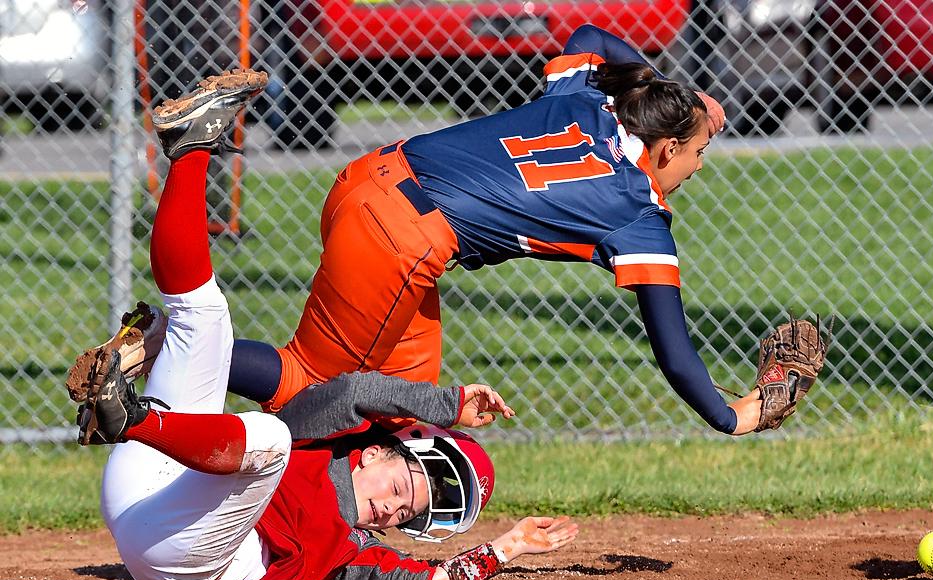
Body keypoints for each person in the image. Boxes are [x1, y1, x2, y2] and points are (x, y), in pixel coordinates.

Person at [71, 70, 579, 580]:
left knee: (267, 438)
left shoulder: (350, 553)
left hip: (184, 563)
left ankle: (128, 418)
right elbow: (357, 390)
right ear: (378, 453)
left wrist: (509, 547)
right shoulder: (321, 436)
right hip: (150, 489)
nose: (391, 513)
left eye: (406, 517)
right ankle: (191, 148)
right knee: (206, 317)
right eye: (402, 492)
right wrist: (448, 405)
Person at [224, 24, 767, 435]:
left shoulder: (589, 100)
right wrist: (730, 417)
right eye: (697, 151)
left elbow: (590, 35)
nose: (697, 165)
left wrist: (674, 94)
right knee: (313, 384)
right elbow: (673, 351)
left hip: (367, 178)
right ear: (668, 149)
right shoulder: (638, 214)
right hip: (401, 236)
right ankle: (162, 347)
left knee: (401, 404)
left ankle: (340, 521)